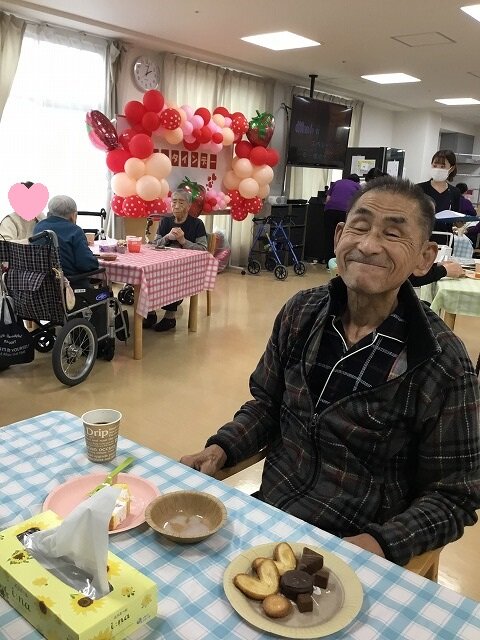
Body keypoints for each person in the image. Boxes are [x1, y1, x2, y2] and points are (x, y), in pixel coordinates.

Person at [180, 176, 480, 567]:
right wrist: (222, 447)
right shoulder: (301, 312)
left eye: (393, 234)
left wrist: (378, 544)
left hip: (357, 549)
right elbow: (267, 405)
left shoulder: (442, 361)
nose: (368, 245)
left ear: (425, 258)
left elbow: (455, 494)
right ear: (339, 236)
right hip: (271, 515)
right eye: (360, 226)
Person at [143, 189, 207, 332]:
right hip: (163, 263)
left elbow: (203, 249)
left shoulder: (197, 224)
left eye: (181, 202)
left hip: (186, 268)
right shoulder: (165, 221)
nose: (176, 206)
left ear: (189, 206)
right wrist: (167, 237)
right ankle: (150, 313)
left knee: (173, 276)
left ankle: (170, 317)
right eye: (174, 202)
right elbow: (154, 244)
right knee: (147, 273)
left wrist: (183, 241)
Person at [34, 195, 99, 286]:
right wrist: (95, 261)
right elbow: (85, 264)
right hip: (70, 284)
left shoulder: (38, 227)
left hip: (42, 284)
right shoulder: (75, 230)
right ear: (73, 215)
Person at [323, 174, 361, 263]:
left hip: (330, 210)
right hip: (345, 212)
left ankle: (329, 262)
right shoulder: (357, 186)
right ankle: (340, 262)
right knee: (343, 236)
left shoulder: (337, 182)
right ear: (357, 181)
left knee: (329, 236)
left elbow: (328, 199)